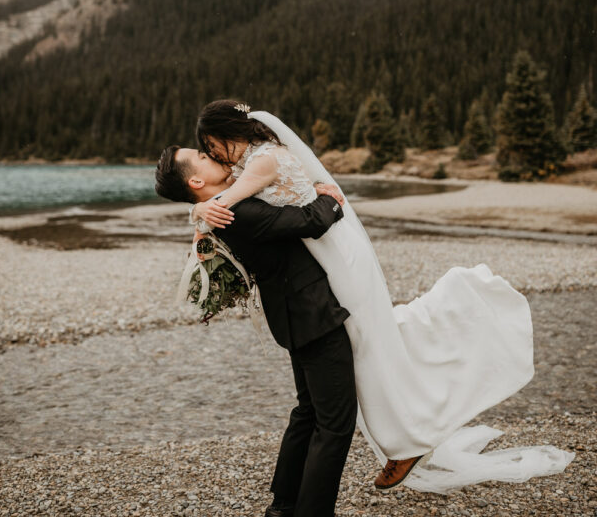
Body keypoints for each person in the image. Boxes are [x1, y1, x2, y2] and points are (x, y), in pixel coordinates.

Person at [185, 100, 575, 495]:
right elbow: (234, 199)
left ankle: (407, 439)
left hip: (335, 258)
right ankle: (410, 433)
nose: (211, 152)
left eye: (209, 143)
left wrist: (200, 211)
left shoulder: (263, 161)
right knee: (372, 340)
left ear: (226, 133)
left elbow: (228, 203)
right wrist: (201, 209)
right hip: (324, 256)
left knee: (368, 344)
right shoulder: (252, 159)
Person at [155, 144, 358, 517]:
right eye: (200, 155)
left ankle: (282, 509)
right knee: (334, 426)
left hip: (295, 315)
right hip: (311, 314)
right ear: (197, 181)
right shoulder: (236, 211)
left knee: (309, 412)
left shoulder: (220, 206)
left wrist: (195, 210)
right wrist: (330, 198)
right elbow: (309, 220)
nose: (209, 153)